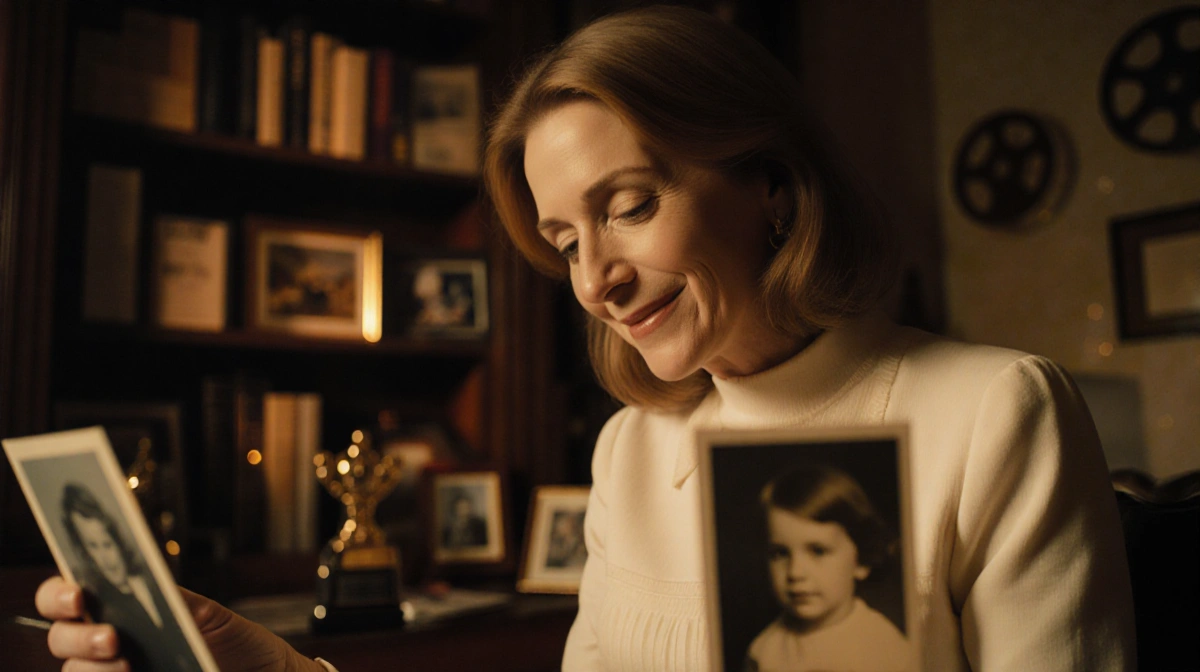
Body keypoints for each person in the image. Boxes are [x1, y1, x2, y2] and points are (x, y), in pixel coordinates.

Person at [36, 6, 1135, 671]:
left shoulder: (997, 410)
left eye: (631, 204)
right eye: (564, 239)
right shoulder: (629, 450)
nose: (597, 280)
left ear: (767, 184)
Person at [745, 465, 908, 672]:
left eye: (818, 551)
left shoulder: (887, 650)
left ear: (862, 561)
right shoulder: (763, 652)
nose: (795, 572)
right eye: (780, 553)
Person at [59, 483, 204, 672]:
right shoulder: (106, 606)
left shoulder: (151, 582)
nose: (105, 558)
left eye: (107, 544)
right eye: (93, 546)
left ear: (118, 540)